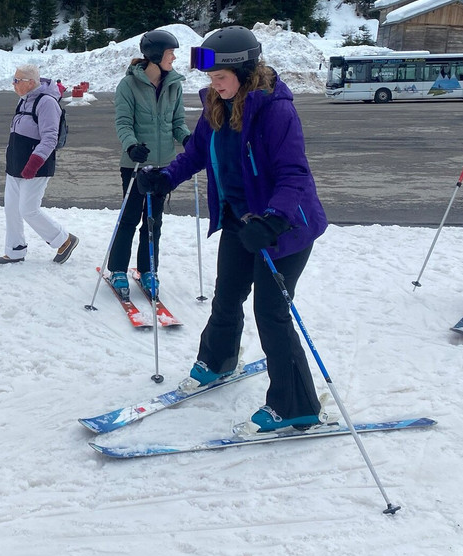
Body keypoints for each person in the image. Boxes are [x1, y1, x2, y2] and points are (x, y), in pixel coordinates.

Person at [136, 26, 328, 432]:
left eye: (220, 78)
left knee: (271, 312)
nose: (214, 85)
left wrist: (274, 218)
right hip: (241, 221)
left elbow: (293, 175)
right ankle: (217, 360)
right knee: (226, 295)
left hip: (284, 228)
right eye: (210, 79)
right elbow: (198, 152)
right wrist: (166, 177)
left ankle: (296, 405)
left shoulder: (276, 110)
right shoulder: (216, 103)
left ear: (244, 71)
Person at [106, 29, 190, 299]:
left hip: (163, 165)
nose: (174, 58)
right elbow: (123, 123)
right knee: (129, 217)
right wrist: (131, 145)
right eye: (170, 53)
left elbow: (177, 123)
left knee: (154, 221)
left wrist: (188, 139)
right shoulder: (128, 85)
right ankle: (118, 268)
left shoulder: (174, 85)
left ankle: (148, 269)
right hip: (135, 164)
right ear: (155, 55)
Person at [0, 64, 78, 265]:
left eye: (17, 80)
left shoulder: (46, 102)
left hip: (36, 166)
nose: (13, 84)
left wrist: (34, 163)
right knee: (11, 208)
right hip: (15, 164)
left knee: (28, 209)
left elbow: (50, 137)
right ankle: (15, 250)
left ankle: (64, 239)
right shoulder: (23, 101)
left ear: (31, 82)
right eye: (13, 79)